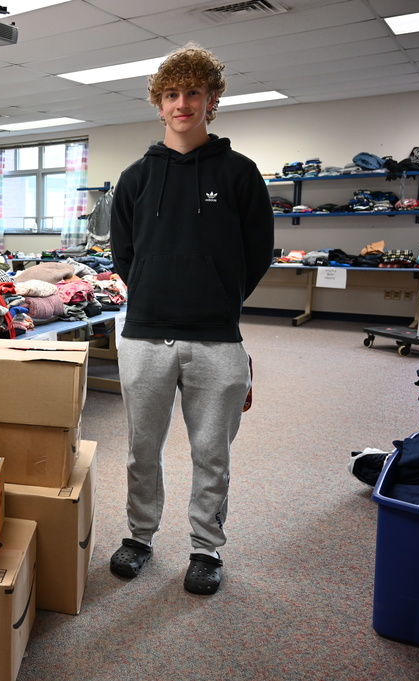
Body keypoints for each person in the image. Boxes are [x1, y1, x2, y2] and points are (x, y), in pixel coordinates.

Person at [108, 43, 274, 595]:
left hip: (216, 340)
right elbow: (124, 257)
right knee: (141, 448)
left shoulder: (241, 174)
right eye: (172, 94)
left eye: (193, 93)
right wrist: (156, 292)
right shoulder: (134, 179)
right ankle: (140, 536)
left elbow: (259, 254)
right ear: (159, 104)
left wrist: (219, 299)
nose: (183, 103)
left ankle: (205, 549)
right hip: (144, 337)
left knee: (211, 452)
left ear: (212, 100)